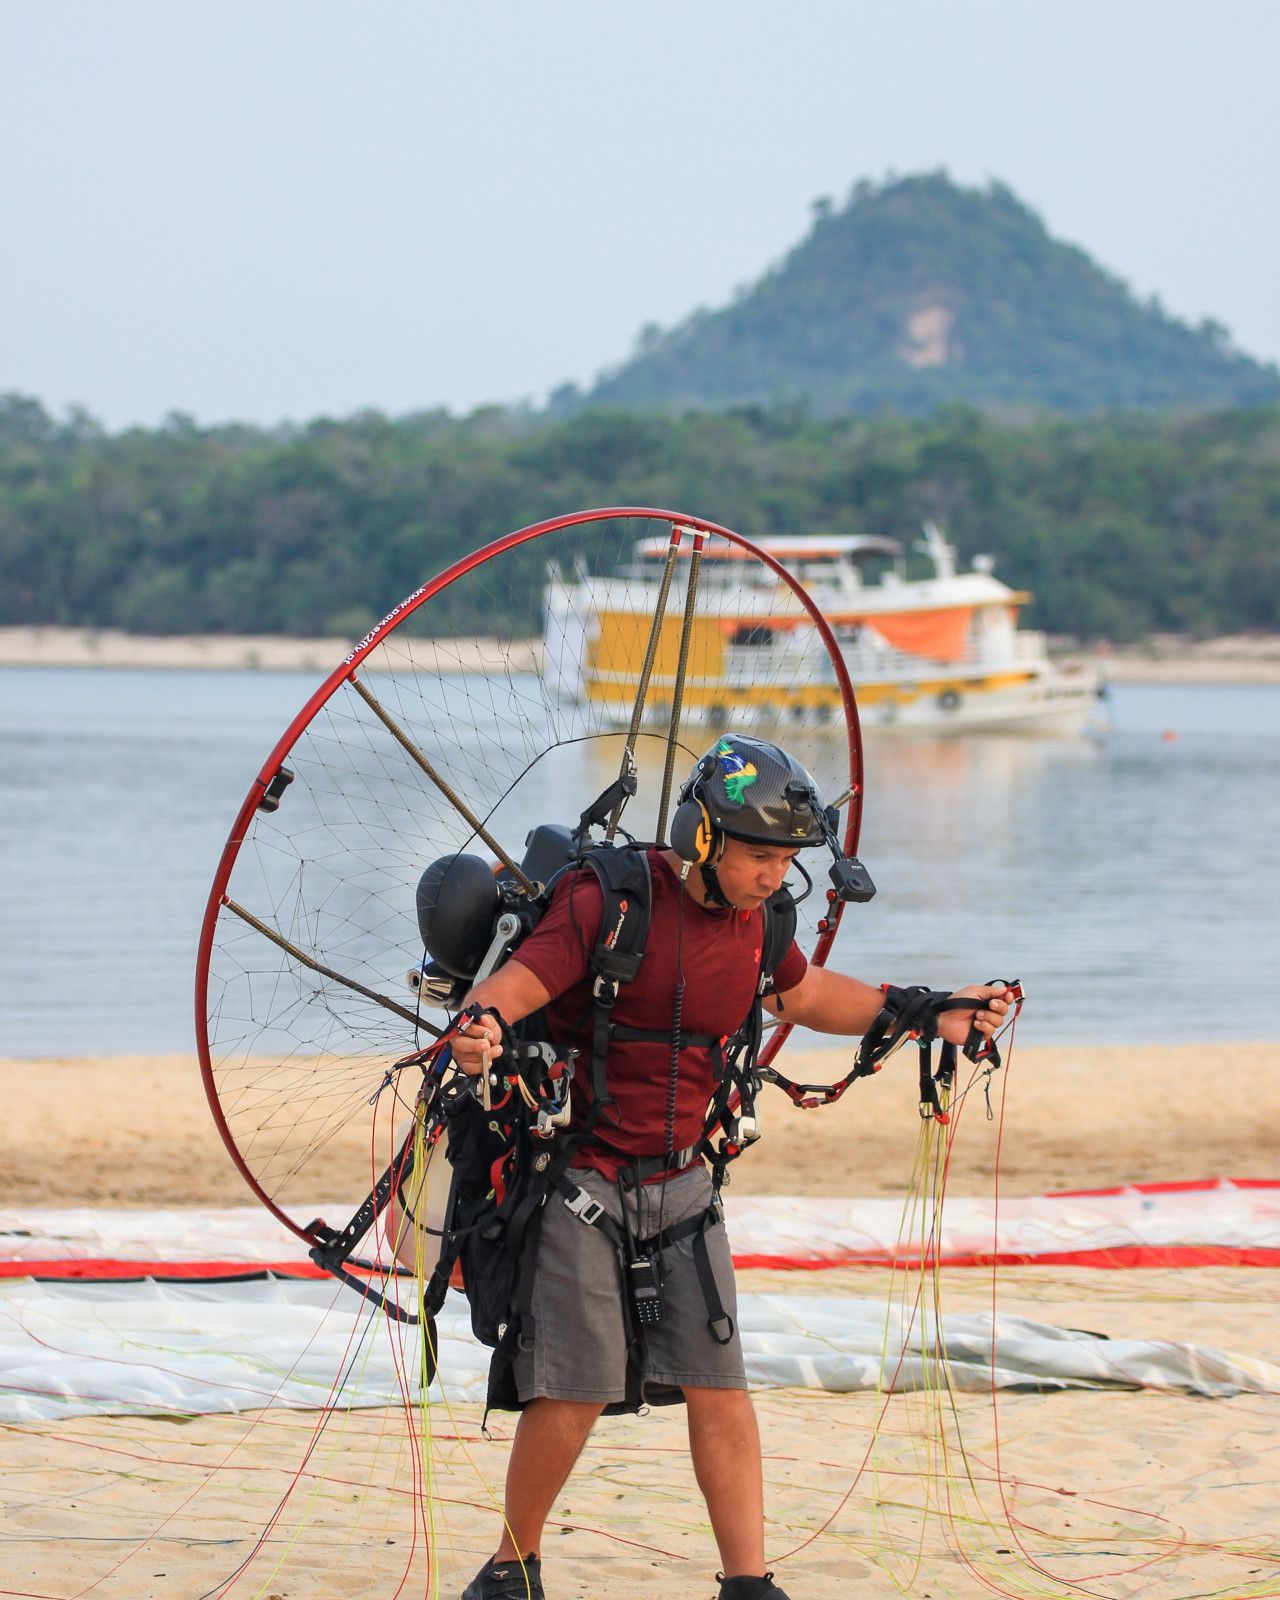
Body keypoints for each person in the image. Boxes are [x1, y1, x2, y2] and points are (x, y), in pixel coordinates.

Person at [446, 734, 1012, 1600]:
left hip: (686, 1183)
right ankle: (510, 1567)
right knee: (573, 1391)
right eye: (759, 857)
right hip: (581, 1179)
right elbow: (515, 986)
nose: (774, 877)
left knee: (720, 1387)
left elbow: (804, 995)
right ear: (700, 837)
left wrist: (928, 1010)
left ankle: (748, 1583)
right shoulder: (609, 904)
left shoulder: (761, 920)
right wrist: (480, 1027)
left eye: (787, 861)